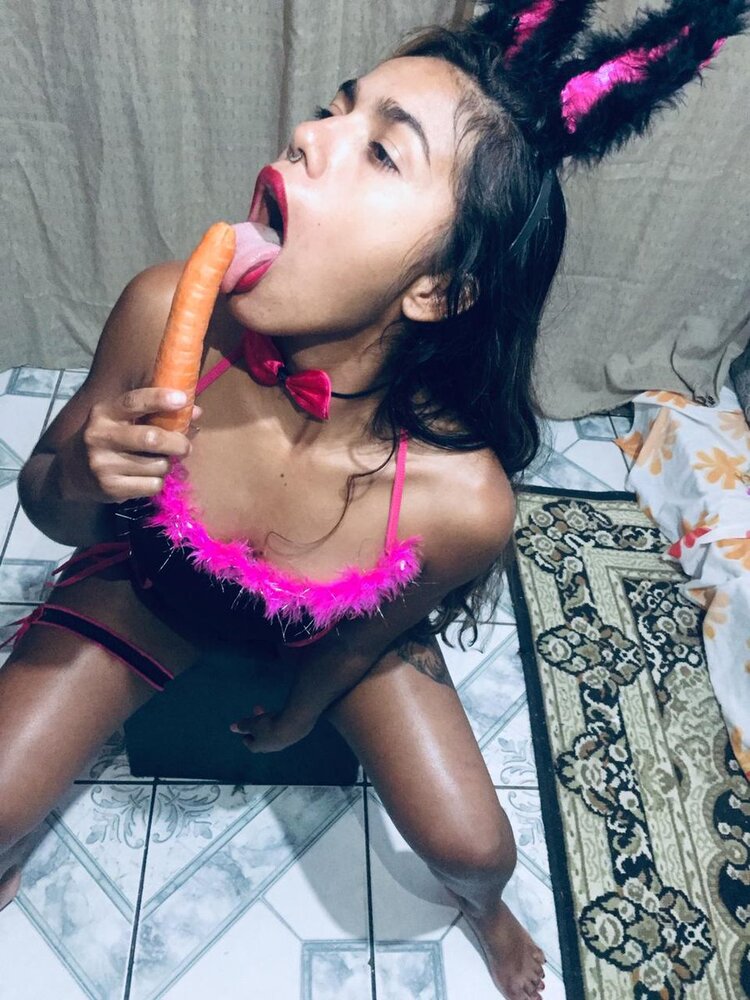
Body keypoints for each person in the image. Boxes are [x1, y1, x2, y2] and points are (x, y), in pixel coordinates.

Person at [0, 2, 745, 997]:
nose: (307, 136)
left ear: (438, 288)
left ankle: (486, 914)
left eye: (383, 151)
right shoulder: (163, 309)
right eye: (332, 110)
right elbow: (46, 504)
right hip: (151, 582)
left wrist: (302, 708)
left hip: (323, 629)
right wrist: (81, 477)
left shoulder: (463, 499)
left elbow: (362, 639)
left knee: (477, 847)